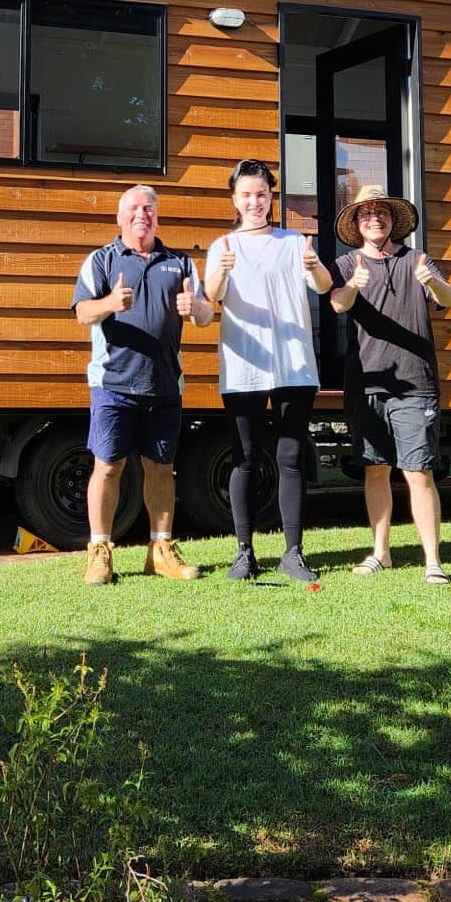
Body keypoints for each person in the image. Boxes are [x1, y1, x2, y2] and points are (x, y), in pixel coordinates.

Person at [71, 184, 215, 586]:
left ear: (157, 216)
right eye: (133, 208)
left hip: (165, 384)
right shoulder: (101, 260)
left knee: (161, 469)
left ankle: (162, 550)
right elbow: (82, 312)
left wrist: (196, 309)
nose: (142, 214)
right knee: (108, 465)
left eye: (149, 208)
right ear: (119, 218)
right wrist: (110, 304)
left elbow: (205, 314)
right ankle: (100, 552)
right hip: (112, 383)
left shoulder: (180, 263)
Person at [203, 159, 332, 583]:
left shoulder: (294, 243)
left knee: (291, 457)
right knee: (244, 459)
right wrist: (220, 273)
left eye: (262, 194)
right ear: (234, 200)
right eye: (247, 195)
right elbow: (212, 297)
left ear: (271, 197)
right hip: (244, 365)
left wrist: (313, 263)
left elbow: (325, 285)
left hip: (294, 364)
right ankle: (244, 553)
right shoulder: (223, 246)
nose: (255, 202)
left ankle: (293, 553)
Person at [329, 184, 451, 584]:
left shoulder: (417, 259)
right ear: (356, 222)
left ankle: (432, 561)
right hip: (366, 385)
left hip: (415, 384)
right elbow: (337, 303)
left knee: (418, 471)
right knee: (375, 469)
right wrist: (354, 285)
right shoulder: (348, 263)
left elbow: (449, 299)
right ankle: (380, 554)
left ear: (392, 220)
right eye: (365, 213)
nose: (374, 218)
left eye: (381, 212)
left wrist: (431, 282)